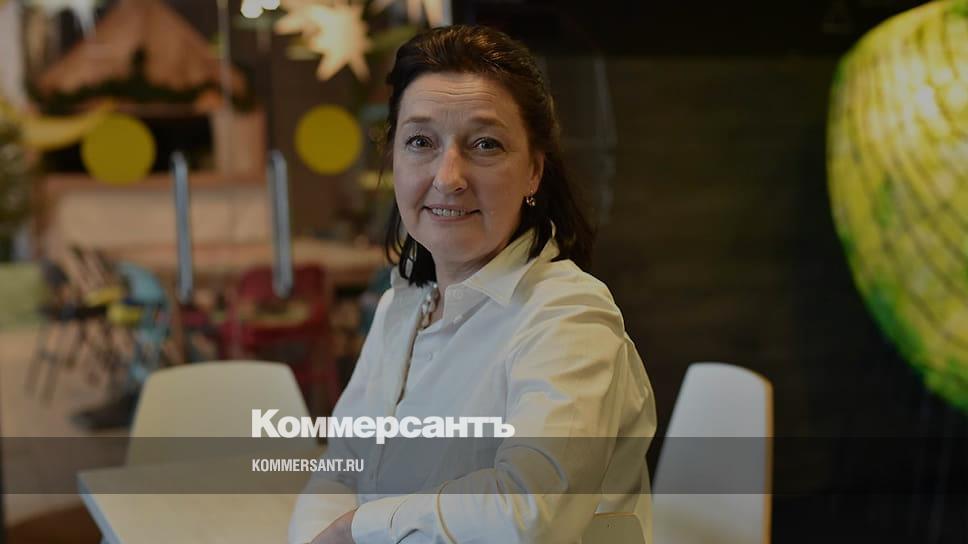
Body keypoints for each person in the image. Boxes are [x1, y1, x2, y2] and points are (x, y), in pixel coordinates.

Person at [289, 25, 656, 544]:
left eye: (485, 144)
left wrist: (359, 528)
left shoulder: (568, 316)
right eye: (420, 142)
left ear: (534, 171)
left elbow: (530, 512)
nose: (448, 176)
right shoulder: (401, 306)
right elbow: (342, 469)